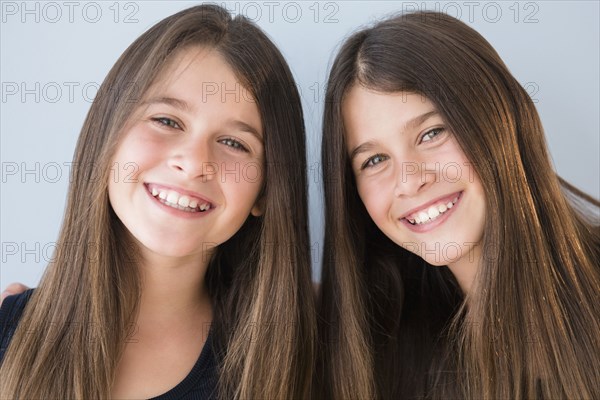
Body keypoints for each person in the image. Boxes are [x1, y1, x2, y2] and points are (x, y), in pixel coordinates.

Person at [0, 4, 316, 399]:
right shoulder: (8, 336)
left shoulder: (311, 351)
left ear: (267, 191)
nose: (194, 163)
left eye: (234, 143)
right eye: (167, 121)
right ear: (107, 135)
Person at [317, 10, 600, 400]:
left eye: (432, 132)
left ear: (499, 117)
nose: (410, 180)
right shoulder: (376, 351)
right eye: (374, 160)